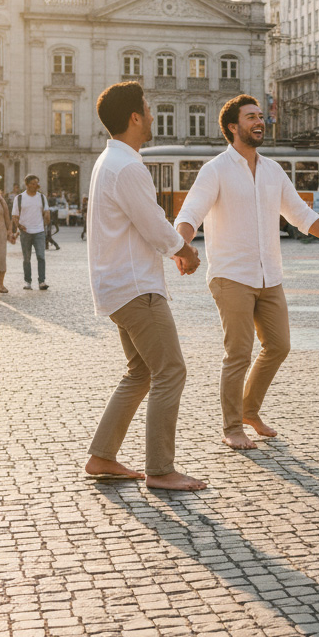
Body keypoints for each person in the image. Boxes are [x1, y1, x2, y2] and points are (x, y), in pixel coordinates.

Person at [174, 93, 319, 451]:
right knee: (239, 353)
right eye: (251, 117)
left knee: (279, 345)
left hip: (269, 276)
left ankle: (249, 411)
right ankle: (232, 427)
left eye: (260, 116)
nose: (260, 121)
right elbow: (190, 212)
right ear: (233, 126)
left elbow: (301, 215)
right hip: (231, 275)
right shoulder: (216, 170)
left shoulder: (274, 170)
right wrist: (182, 247)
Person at [85, 81, 205, 491]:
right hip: (136, 287)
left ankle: (102, 455)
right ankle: (161, 469)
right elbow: (152, 222)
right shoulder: (128, 166)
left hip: (118, 285)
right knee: (171, 370)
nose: (153, 116)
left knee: (140, 372)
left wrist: (175, 248)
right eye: (149, 110)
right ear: (135, 117)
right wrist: (184, 251)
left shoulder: (109, 161)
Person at [11, 174, 51, 290]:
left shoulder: (42, 197)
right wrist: (19, 226)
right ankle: (27, 281)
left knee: (41, 256)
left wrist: (46, 220)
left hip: (39, 231)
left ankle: (42, 281)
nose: (36, 185)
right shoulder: (19, 198)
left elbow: (46, 212)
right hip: (25, 232)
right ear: (27, 184)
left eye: (37, 183)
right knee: (26, 258)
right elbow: (14, 215)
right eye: (33, 183)